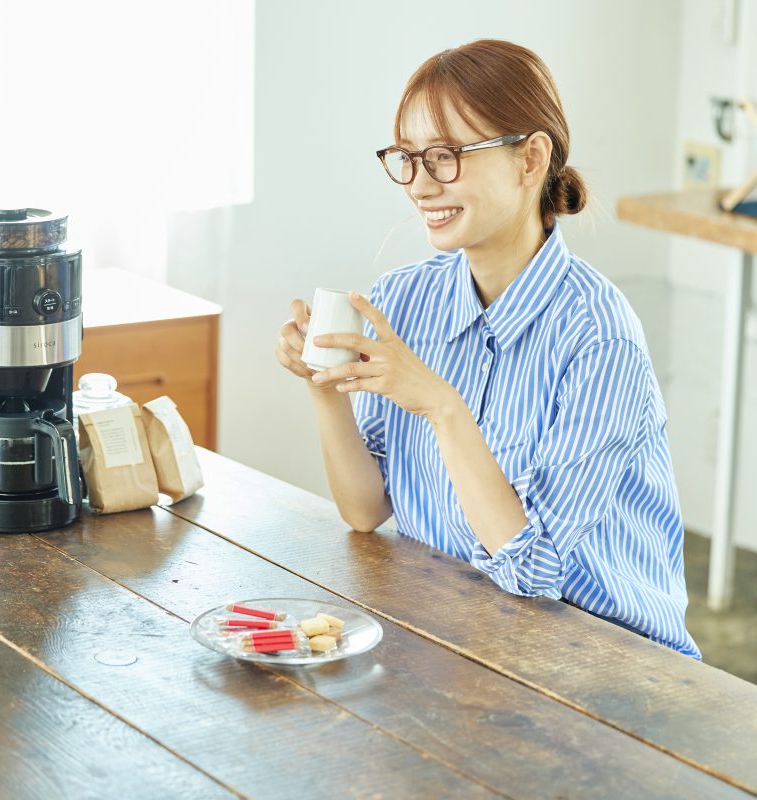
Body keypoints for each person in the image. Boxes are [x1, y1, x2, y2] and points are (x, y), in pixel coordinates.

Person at [274, 39, 699, 658]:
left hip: (608, 663)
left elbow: (534, 573)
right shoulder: (405, 299)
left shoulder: (597, 334)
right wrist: (327, 392)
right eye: (408, 158)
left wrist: (444, 408)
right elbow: (366, 512)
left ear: (531, 158)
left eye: (446, 156)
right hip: (466, 636)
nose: (420, 185)